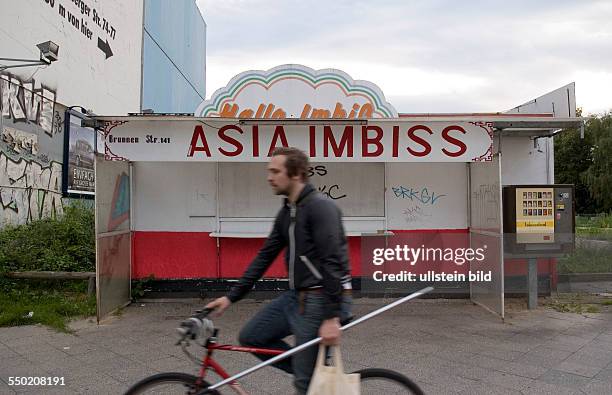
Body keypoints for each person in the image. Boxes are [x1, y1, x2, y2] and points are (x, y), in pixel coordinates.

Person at [206, 147, 352, 394]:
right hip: (297, 296)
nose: (269, 177)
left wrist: (331, 317)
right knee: (252, 337)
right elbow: (264, 256)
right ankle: (314, 371)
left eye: (275, 171)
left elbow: (334, 263)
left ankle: (311, 375)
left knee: (303, 384)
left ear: (295, 174)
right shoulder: (288, 212)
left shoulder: (320, 208)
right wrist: (231, 297)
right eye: (268, 171)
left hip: (321, 298)